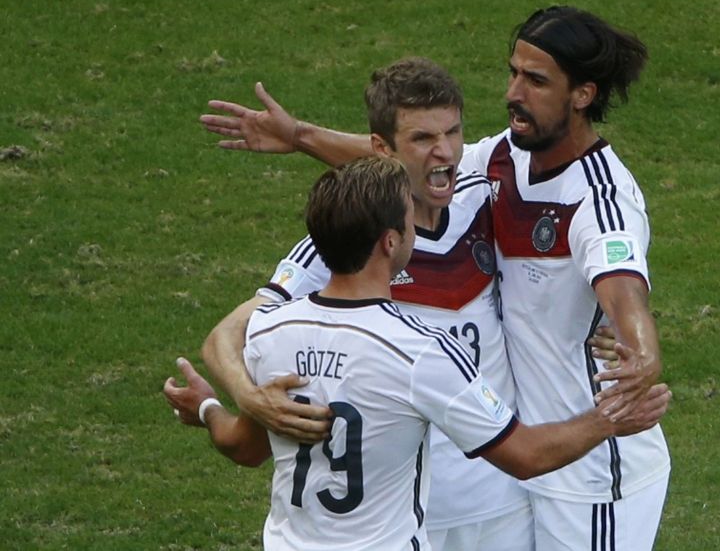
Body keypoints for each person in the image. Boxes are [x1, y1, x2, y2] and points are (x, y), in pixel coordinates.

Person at [200, 6, 671, 550]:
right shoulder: (490, 167)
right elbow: (409, 160)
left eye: (535, 80)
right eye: (513, 72)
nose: (513, 93)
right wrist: (247, 397)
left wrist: (640, 348)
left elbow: (623, 286)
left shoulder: (557, 194)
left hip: (554, 479)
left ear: (582, 94)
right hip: (447, 493)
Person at [164, 155, 672, 551]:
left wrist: (208, 407)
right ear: (391, 242)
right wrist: (610, 420)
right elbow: (526, 455)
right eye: (409, 221)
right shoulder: (421, 351)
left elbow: (244, 448)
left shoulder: (268, 332)